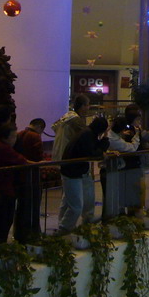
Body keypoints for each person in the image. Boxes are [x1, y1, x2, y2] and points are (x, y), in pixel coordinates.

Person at [57, 116, 109, 233]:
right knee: (76, 206)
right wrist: (105, 141)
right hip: (73, 172)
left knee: (68, 201)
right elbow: (93, 153)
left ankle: (63, 225)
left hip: (71, 170)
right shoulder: (88, 135)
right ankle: (65, 228)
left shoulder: (87, 133)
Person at [122, 104, 149, 213]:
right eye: (138, 118)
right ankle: (135, 214)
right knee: (136, 191)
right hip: (132, 165)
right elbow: (145, 137)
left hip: (136, 165)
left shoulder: (134, 130)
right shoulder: (130, 131)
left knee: (139, 190)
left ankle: (136, 212)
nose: (140, 121)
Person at [53, 95, 89, 227]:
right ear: (82, 106)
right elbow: (86, 137)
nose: (88, 108)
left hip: (61, 157)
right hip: (70, 161)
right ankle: (65, 227)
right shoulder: (76, 121)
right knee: (74, 201)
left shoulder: (66, 117)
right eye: (87, 105)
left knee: (66, 197)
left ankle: (61, 222)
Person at [14, 118, 45, 242]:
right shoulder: (35, 137)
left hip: (20, 176)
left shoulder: (19, 134)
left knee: (21, 205)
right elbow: (38, 156)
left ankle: (19, 233)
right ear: (39, 127)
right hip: (32, 176)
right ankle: (32, 233)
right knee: (33, 205)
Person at [102, 117, 139, 218]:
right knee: (112, 196)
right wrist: (137, 136)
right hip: (112, 170)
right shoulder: (114, 140)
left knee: (110, 195)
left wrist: (122, 135)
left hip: (109, 169)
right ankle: (112, 218)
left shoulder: (109, 133)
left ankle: (113, 217)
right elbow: (132, 148)